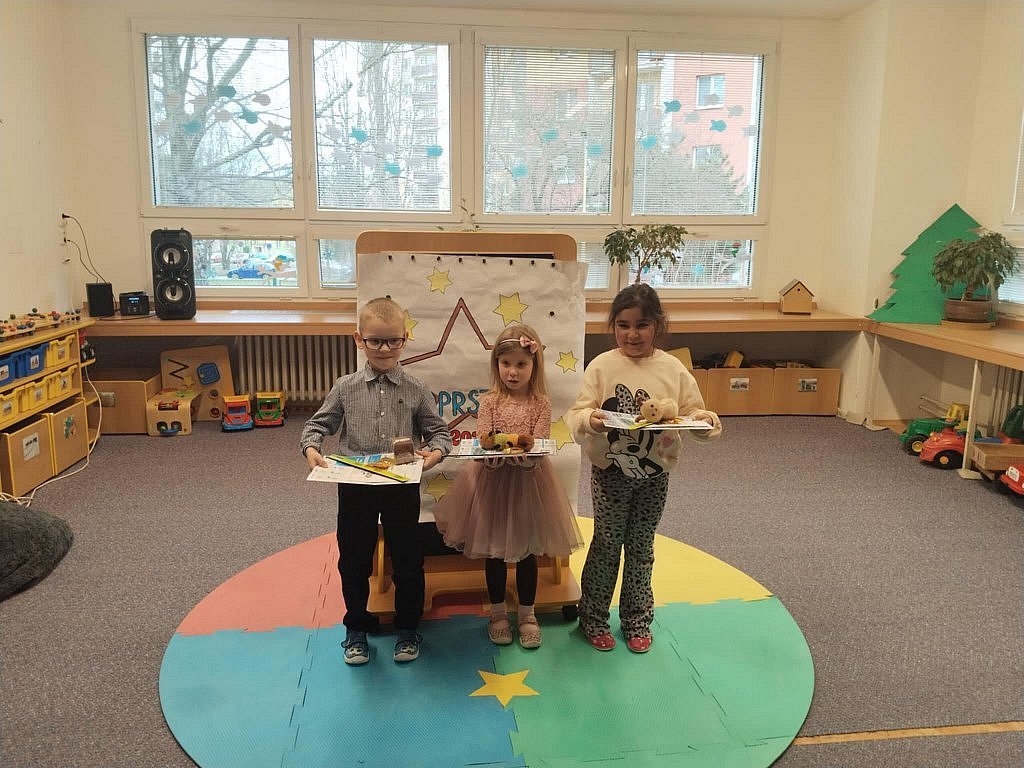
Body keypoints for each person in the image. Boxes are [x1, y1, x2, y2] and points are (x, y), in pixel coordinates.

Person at [567, 283, 722, 654]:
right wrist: (591, 420)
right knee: (607, 545)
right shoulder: (602, 366)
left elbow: (694, 413)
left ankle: (637, 620)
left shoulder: (672, 368)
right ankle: (593, 619)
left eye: (641, 325)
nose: (632, 334)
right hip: (610, 473)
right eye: (623, 325)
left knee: (641, 547)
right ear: (613, 326)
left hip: (655, 475)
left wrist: (705, 421)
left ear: (658, 325)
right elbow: (577, 414)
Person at [300, 297, 452, 666]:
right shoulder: (345, 387)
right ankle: (356, 628)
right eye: (375, 341)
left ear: (405, 339)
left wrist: (434, 454)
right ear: (359, 339)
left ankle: (408, 628)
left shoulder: (415, 388)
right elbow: (317, 425)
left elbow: (440, 434)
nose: (384, 349)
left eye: (392, 340)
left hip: (401, 487)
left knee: (407, 560)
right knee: (353, 559)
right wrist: (312, 449)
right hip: (356, 489)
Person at [432, 324, 583, 649]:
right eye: (506, 364)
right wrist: (494, 456)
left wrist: (525, 458)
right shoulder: (489, 401)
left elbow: (539, 442)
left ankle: (528, 614)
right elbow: (483, 439)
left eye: (521, 364)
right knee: (494, 552)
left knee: (527, 552)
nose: (512, 372)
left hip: (529, 483)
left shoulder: (541, 403)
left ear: (534, 365)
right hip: (492, 482)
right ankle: (498, 614)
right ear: (496, 364)